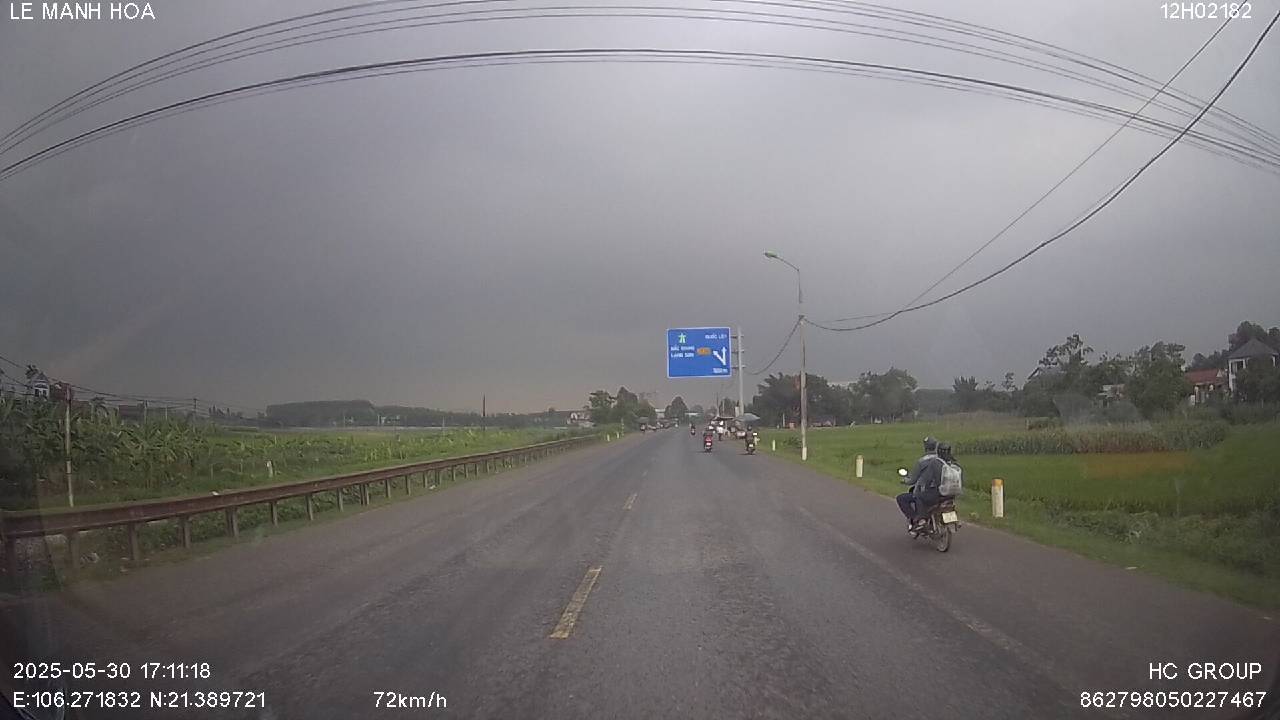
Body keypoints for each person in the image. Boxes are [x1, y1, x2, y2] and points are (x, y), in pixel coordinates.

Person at [897, 436, 943, 531]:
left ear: (925, 447)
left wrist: (905, 480)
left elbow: (912, 480)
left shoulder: (922, 461)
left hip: (927, 492)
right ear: (935, 446)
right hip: (942, 491)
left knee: (901, 498)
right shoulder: (942, 460)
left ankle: (917, 520)